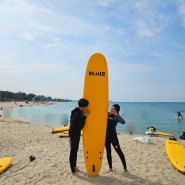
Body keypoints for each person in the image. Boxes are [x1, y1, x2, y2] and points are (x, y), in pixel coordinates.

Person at [69, 98, 90, 175]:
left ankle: (74, 167)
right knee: (73, 151)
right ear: (82, 107)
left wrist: (83, 115)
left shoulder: (75, 111)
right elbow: (80, 126)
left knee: (75, 150)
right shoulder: (77, 114)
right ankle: (73, 170)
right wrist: (85, 116)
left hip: (74, 132)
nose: (86, 108)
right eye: (86, 107)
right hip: (74, 133)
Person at [105, 104, 128, 174]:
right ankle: (110, 168)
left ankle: (125, 169)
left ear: (116, 110)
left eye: (113, 109)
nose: (111, 110)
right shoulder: (108, 114)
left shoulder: (117, 117)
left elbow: (123, 122)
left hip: (113, 137)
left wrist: (116, 114)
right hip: (106, 137)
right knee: (108, 152)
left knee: (119, 151)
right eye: (111, 108)